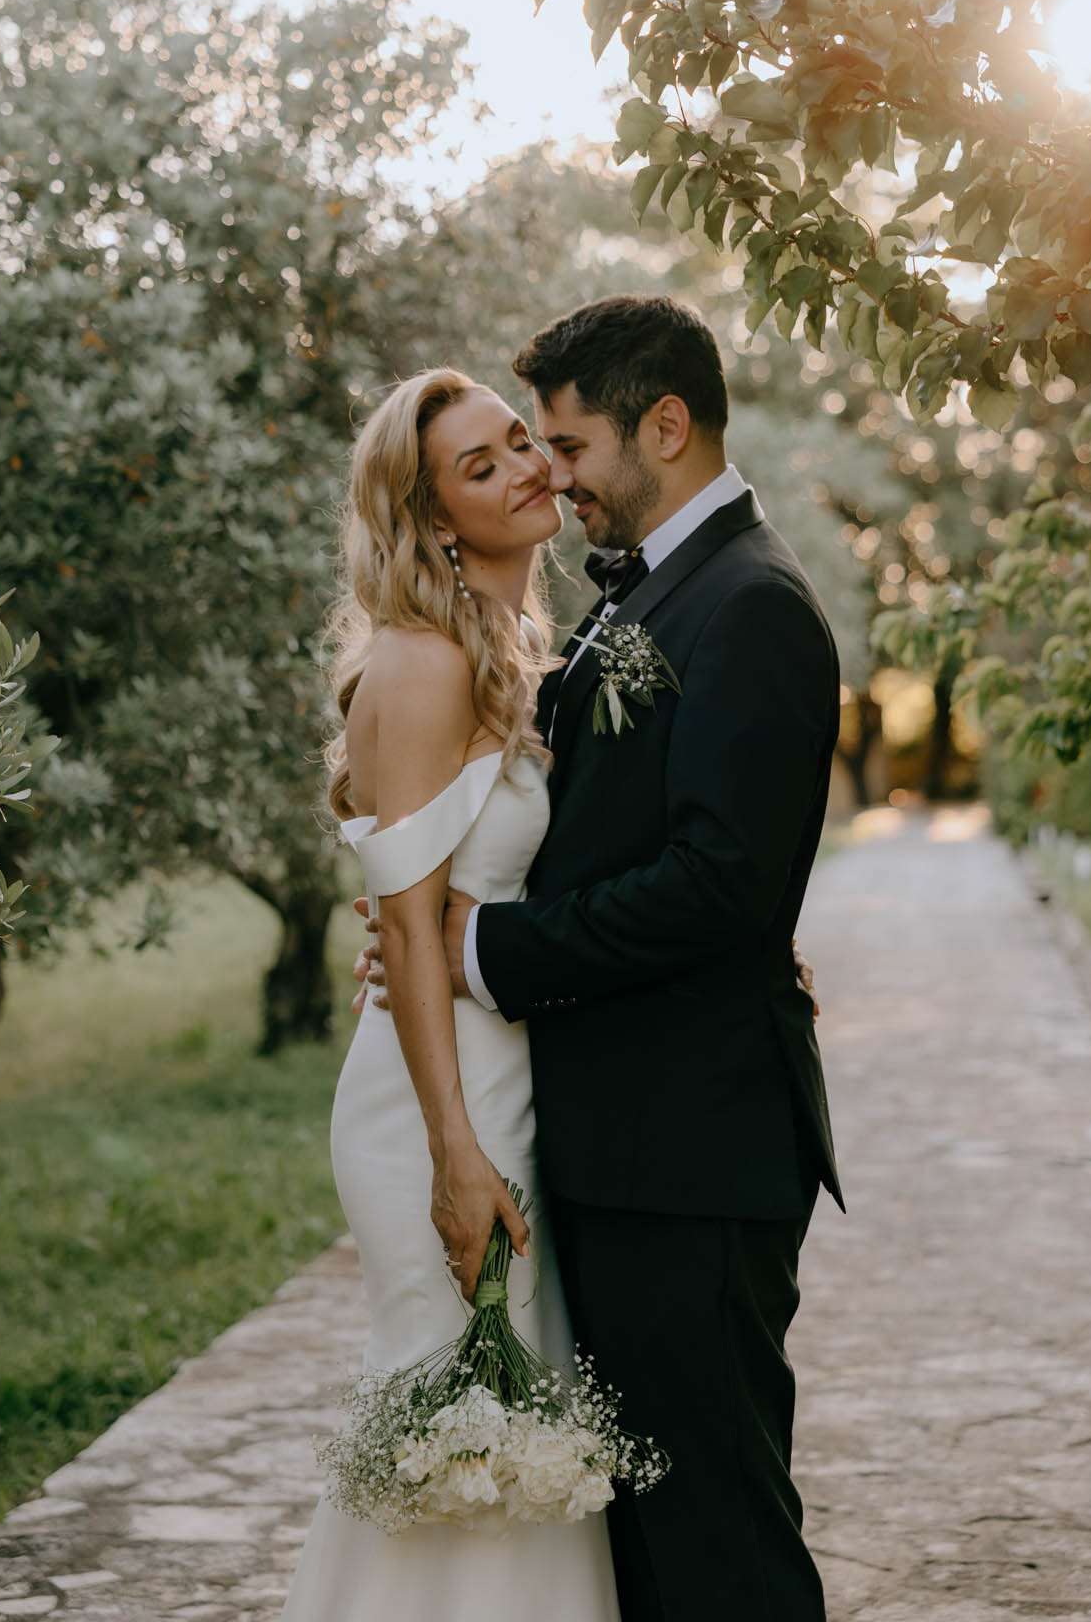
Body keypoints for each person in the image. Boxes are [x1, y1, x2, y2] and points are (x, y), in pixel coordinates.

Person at [358, 295, 845, 1620]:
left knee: (719, 1534)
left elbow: (719, 885)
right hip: (629, 1141)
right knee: (653, 1537)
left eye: (567, 447)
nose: (550, 477)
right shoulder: (643, 599)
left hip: (691, 1149)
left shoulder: (748, 606)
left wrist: (485, 950)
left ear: (666, 427)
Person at [277, 366, 620, 1621]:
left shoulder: (517, 652)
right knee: (454, 1415)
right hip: (441, 1099)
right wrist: (454, 1153)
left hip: (512, 1075)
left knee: (517, 1411)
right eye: (481, 465)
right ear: (431, 519)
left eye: (522, 439)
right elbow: (411, 939)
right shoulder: (417, 668)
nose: (527, 465)